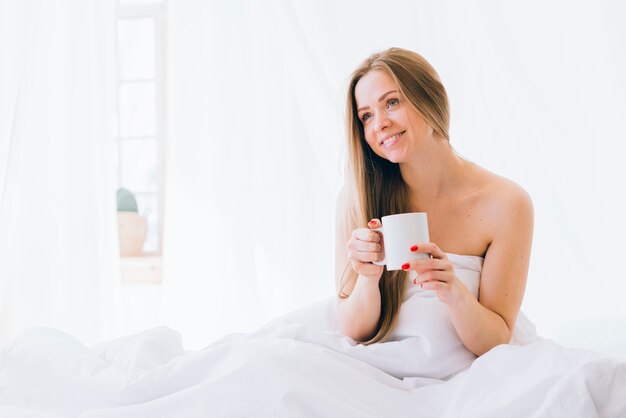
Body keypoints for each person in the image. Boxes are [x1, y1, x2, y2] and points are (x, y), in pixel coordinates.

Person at [335, 47, 534, 358]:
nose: (380, 124)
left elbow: (496, 342)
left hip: (471, 375)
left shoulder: (507, 204)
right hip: (377, 365)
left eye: (392, 102)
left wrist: (453, 291)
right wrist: (368, 278)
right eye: (367, 116)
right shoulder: (357, 199)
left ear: (430, 98)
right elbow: (353, 331)